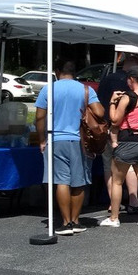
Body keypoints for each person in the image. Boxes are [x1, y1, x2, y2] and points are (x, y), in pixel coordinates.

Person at [33, 61, 104, 234]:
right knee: (79, 182)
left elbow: (40, 117)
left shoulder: (48, 89)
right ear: (74, 72)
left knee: (61, 181)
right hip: (80, 140)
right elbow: (100, 112)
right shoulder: (86, 89)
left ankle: (65, 223)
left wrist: (42, 139)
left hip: (55, 139)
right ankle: (76, 220)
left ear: (57, 71)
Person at [100, 67, 138, 230]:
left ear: (131, 80)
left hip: (128, 142)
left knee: (117, 182)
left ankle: (114, 217)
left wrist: (112, 102)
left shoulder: (127, 98)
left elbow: (115, 120)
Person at [98, 54, 138, 214]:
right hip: (128, 130)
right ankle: (134, 200)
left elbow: (99, 103)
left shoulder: (108, 79)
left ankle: (112, 201)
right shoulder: (136, 83)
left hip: (108, 126)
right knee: (129, 166)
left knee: (108, 166)